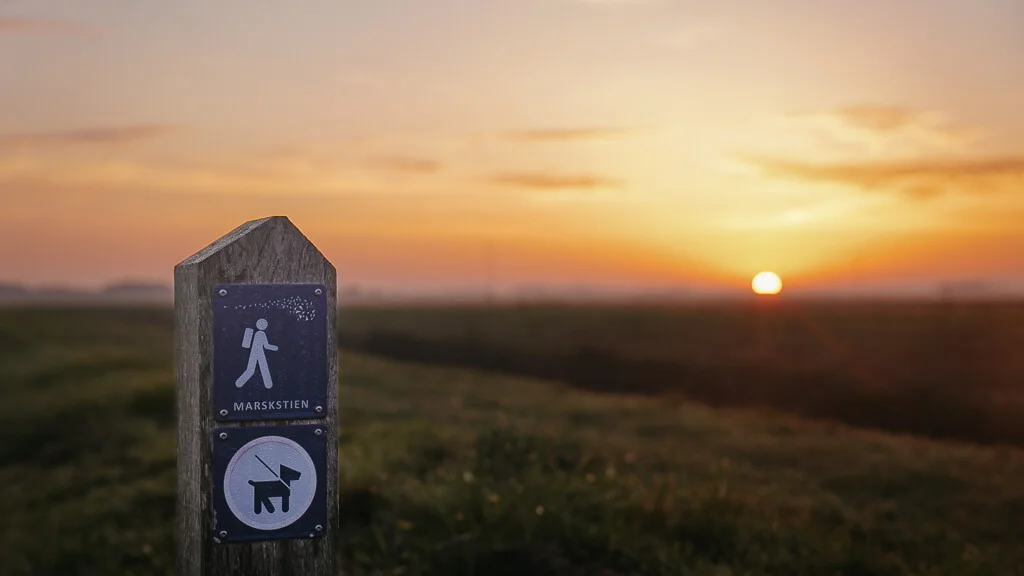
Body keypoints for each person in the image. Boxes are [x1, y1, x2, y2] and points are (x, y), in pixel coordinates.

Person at [236, 318, 278, 389]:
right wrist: (275, 347)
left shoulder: (257, 333)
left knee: (253, 370)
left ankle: (239, 383)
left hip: (255, 353)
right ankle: (239, 383)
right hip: (258, 353)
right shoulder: (261, 334)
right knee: (261, 369)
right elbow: (266, 346)